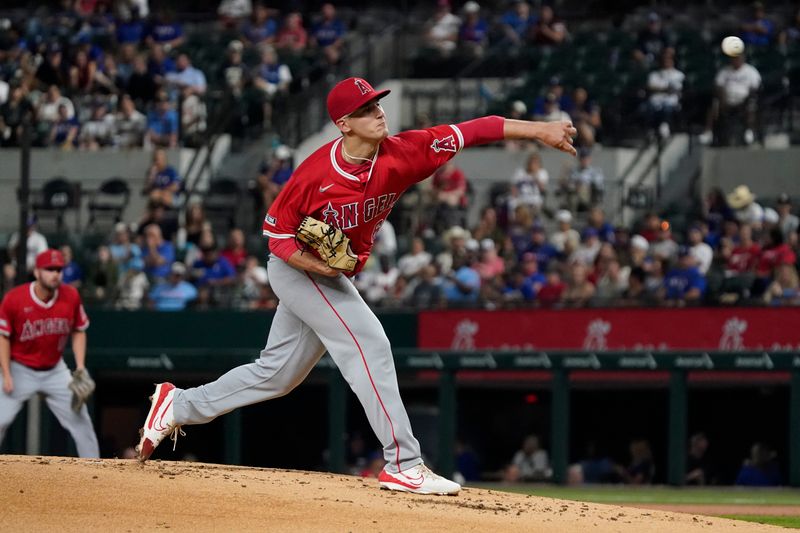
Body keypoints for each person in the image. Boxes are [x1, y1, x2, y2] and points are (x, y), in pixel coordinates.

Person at [135, 77, 576, 495]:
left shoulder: (407, 151)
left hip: (325, 273)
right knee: (370, 343)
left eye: (378, 104)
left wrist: (540, 131)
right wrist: (318, 267)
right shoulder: (312, 174)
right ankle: (403, 464)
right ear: (344, 124)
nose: (379, 113)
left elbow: (474, 130)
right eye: (365, 110)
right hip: (295, 270)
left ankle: (177, 406)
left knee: (277, 375)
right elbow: (278, 237)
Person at [0, 249, 99, 457]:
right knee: (1, 419)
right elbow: (3, 337)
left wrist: (80, 367)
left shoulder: (70, 296)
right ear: (36, 272)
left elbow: (79, 330)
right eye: (49, 269)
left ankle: (96, 474)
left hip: (55, 370)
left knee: (82, 423)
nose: (55, 273)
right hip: (20, 369)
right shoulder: (14, 299)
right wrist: (7, 374)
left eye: (59, 269)